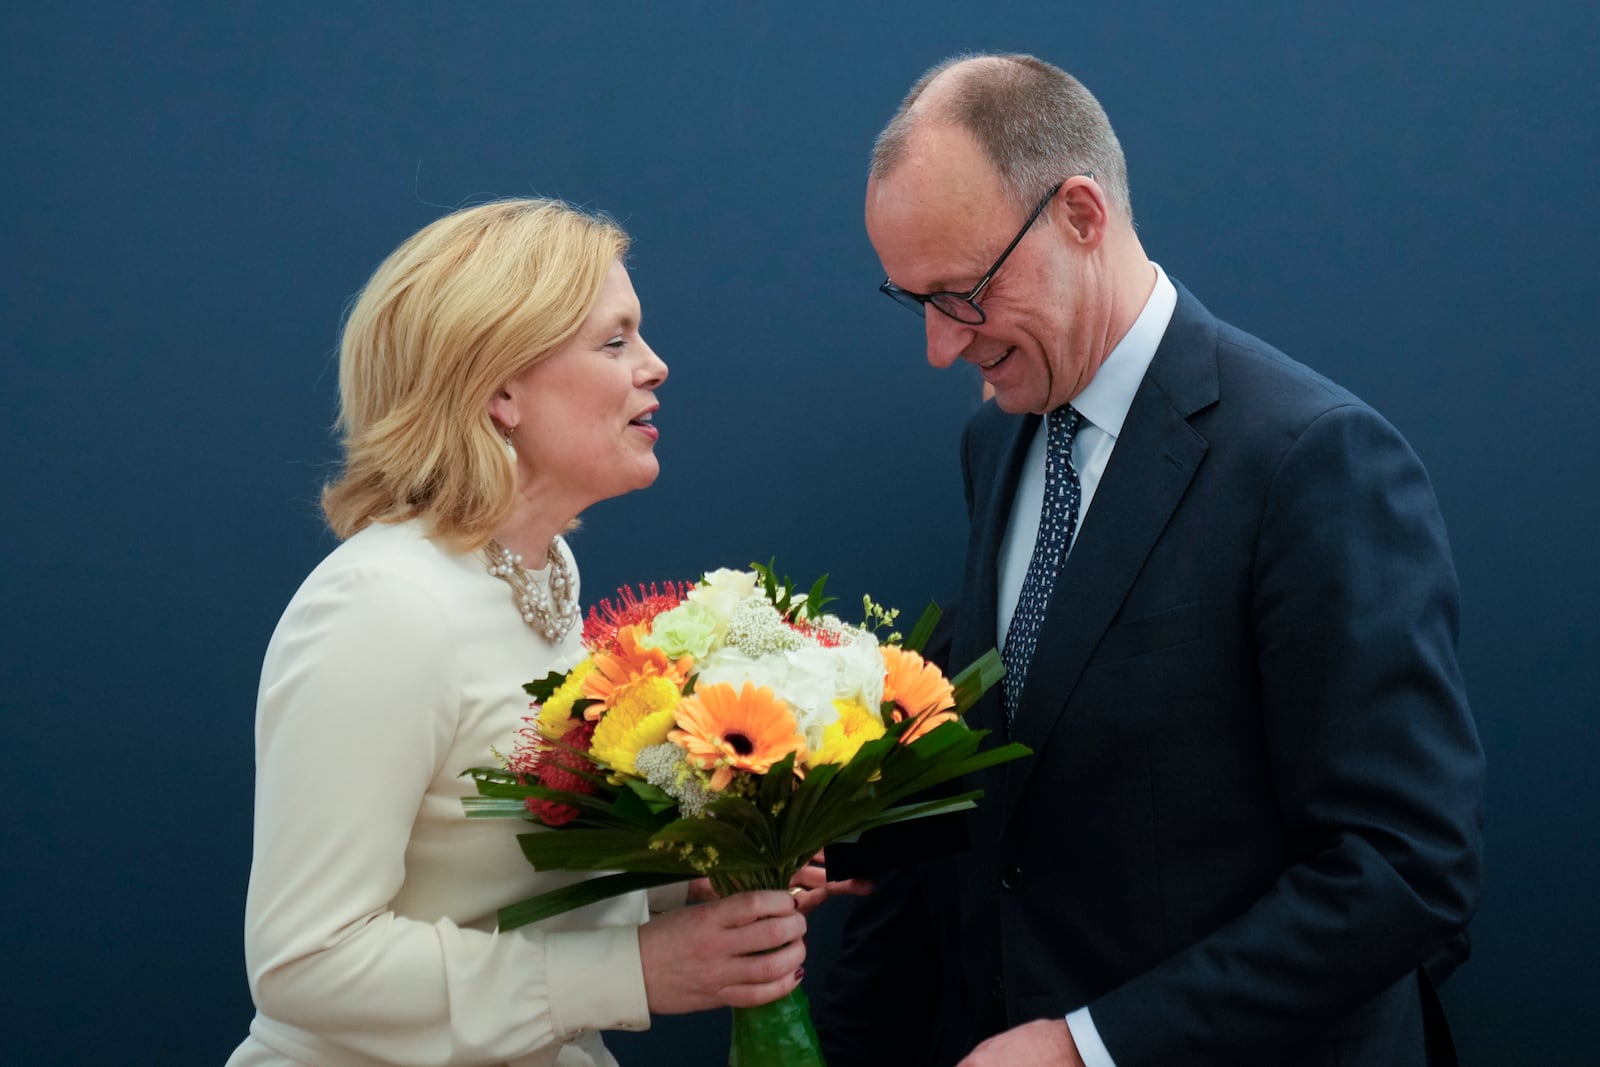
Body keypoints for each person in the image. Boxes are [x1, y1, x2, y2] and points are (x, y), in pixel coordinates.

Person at [815, 54, 1485, 1066]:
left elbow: (1403, 867)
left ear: (1080, 215)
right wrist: (841, 823)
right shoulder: (994, 441)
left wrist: (1090, 1047)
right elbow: (1041, 747)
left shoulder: (1312, 459)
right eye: (917, 303)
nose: (941, 352)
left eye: (963, 295)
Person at [227, 199, 814, 1067]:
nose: (655, 366)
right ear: (499, 389)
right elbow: (307, 963)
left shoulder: (543, 572)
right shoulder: (381, 608)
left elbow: (486, 877)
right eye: (614, 342)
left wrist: (684, 887)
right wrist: (635, 970)